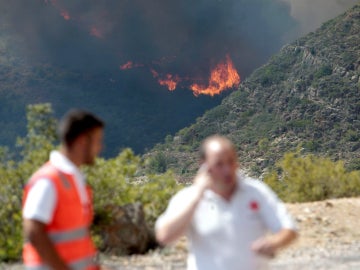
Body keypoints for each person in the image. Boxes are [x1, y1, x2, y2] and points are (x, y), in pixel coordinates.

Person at [155, 135, 298, 270]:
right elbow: (165, 236)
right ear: (205, 165)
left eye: (231, 161)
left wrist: (274, 243)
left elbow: (288, 228)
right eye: (219, 164)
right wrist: (198, 194)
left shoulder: (256, 192)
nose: (227, 170)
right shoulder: (188, 197)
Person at [22, 110, 105, 270]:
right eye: (97, 141)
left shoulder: (73, 180)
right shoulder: (48, 181)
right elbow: (33, 231)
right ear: (82, 141)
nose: (100, 147)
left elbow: (78, 242)